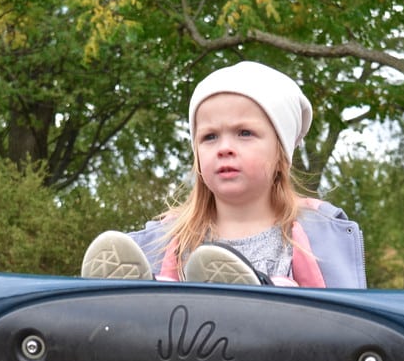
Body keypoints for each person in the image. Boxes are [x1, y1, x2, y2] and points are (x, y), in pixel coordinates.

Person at [81, 61, 366, 288]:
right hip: (185, 353)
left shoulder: (320, 236)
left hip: (283, 352)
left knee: (288, 293)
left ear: (281, 155)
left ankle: (263, 293)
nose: (225, 148)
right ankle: (139, 292)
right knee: (162, 290)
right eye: (209, 137)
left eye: (245, 133)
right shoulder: (165, 241)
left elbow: (350, 328)